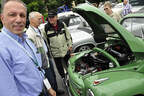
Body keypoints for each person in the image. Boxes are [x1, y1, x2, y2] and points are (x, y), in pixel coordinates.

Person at [0, 0, 47, 96]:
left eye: (22, 15)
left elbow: (37, 68)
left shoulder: (26, 40)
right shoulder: (2, 49)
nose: (19, 20)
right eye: (12, 15)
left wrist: (48, 87)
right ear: (2, 18)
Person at [26, 11, 64, 95]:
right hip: (42, 61)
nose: (41, 20)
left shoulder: (38, 30)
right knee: (48, 79)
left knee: (53, 76)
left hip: (47, 57)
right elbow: (33, 53)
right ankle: (52, 93)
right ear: (32, 20)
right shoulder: (30, 34)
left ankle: (56, 90)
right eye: (39, 19)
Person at [44, 10, 72, 79]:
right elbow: (46, 41)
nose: (50, 19)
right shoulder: (46, 28)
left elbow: (68, 35)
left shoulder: (62, 24)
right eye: (49, 17)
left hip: (65, 50)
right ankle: (64, 78)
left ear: (56, 17)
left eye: (52, 17)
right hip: (55, 52)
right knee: (59, 68)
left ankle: (71, 77)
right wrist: (50, 53)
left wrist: (70, 45)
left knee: (69, 65)